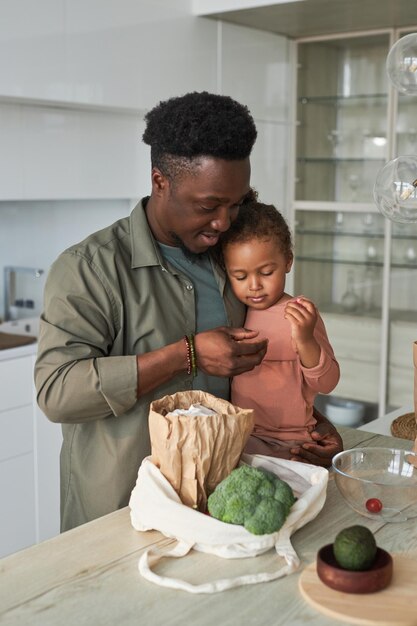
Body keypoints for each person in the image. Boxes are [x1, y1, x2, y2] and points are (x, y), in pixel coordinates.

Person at [35, 91, 342, 532]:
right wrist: (187, 355)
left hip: (219, 503)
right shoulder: (89, 268)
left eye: (234, 204)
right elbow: (57, 392)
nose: (223, 221)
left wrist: (314, 427)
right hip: (120, 511)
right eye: (208, 206)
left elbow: (276, 364)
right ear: (161, 182)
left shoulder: (232, 257)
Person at [219, 199, 341, 459]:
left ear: (287, 261)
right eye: (240, 276)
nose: (254, 286)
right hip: (243, 434)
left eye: (266, 272)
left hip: (293, 441)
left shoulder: (301, 314)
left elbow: (328, 382)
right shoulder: (234, 311)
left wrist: (306, 340)